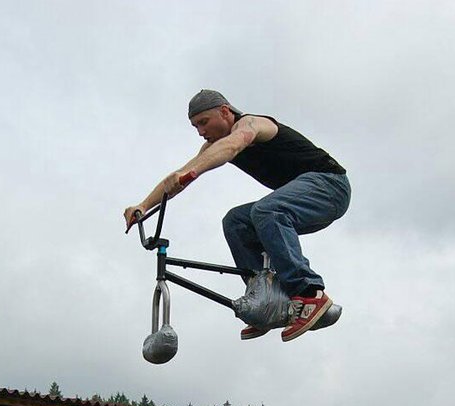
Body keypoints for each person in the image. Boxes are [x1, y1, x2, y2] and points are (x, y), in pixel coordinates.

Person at [124, 89, 350, 342]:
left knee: (266, 210)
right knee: (236, 221)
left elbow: (233, 145)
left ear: (225, 111)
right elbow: (179, 177)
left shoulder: (252, 124)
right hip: (305, 202)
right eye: (195, 126)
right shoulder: (212, 147)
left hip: (330, 187)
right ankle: (267, 299)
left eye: (203, 122)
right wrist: (143, 206)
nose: (200, 131)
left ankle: (310, 292)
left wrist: (195, 171)